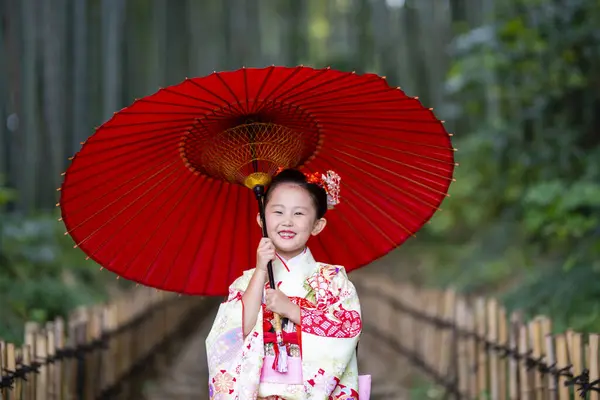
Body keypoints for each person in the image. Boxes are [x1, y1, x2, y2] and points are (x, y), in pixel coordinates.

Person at [205, 168, 363, 399]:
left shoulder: (333, 279)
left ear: (317, 225)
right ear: (262, 219)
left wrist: (292, 310)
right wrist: (260, 272)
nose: (287, 221)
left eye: (299, 214)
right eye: (278, 211)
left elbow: (348, 328)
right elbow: (230, 335)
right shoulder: (246, 281)